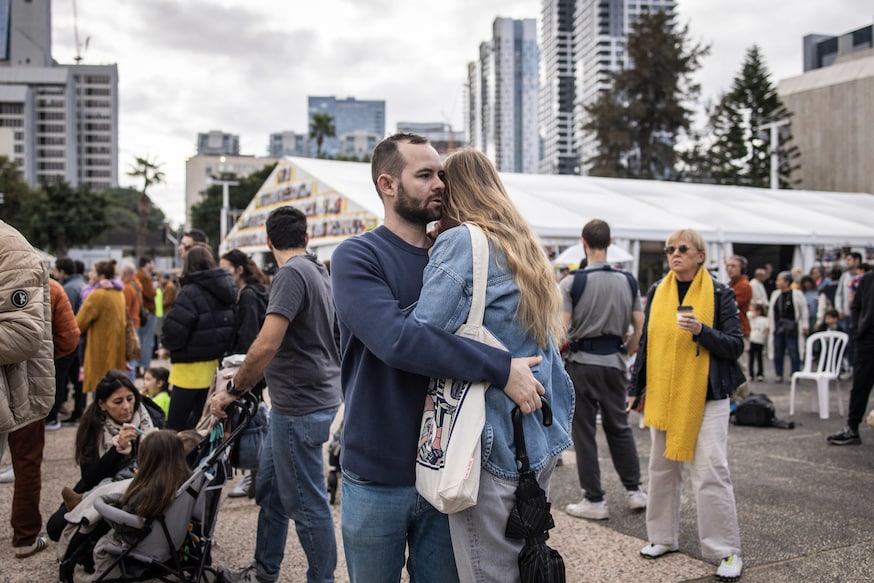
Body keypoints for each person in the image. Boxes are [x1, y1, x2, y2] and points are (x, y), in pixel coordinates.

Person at [330, 133, 545, 582]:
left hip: (451, 468)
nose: (439, 185)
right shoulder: (357, 255)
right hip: (376, 471)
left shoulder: (462, 253)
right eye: (425, 175)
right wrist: (499, 367)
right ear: (387, 185)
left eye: (441, 175)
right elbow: (397, 341)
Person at [410, 149, 573, 580]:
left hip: (489, 438)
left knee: (489, 571)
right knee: (521, 559)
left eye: (441, 179)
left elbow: (421, 334)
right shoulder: (521, 242)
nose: (435, 188)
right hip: (535, 433)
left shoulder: (463, 240)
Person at [212, 206, 342, 583]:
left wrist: (234, 390)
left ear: (268, 242)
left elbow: (267, 344)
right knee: (269, 489)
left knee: (307, 503)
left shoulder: (290, 274)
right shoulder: (317, 269)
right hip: (306, 398)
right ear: (306, 237)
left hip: (299, 406)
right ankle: (264, 571)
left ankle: (322, 579)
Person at [629, 228, 745, 582]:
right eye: (669, 249)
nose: (674, 254)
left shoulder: (720, 294)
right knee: (661, 470)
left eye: (682, 248)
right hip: (664, 394)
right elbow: (647, 344)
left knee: (710, 472)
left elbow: (735, 345)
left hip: (707, 397)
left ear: (700, 255)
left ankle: (725, 550)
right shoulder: (657, 291)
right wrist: (636, 387)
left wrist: (701, 331)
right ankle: (662, 537)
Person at [560, 218, 645, 521]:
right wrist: (628, 349)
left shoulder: (572, 282)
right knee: (619, 427)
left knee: (583, 432)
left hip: (581, 363)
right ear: (610, 244)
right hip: (614, 362)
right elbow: (639, 325)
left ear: (583, 243)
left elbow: (561, 330)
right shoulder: (628, 280)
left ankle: (594, 499)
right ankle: (635, 491)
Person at [46, 370, 156, 541]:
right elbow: (89, 477)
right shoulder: (93, 425)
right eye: (118, 402)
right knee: (55, 528)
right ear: (102, 404)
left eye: (130, 398)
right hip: (100, 484)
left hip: (136, 487)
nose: (126, 407)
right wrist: (117, 449)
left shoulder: (144, 418)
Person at [0, 219, 55, 558]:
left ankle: (25, 536)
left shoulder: (10, 247)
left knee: (26, 463)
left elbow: (23, 334)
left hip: (21, 389)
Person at [161, 246, 235, 431]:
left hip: (187, 371)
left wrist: (166, 345)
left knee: (175, 427)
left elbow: (174, 332)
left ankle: (175, 460)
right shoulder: (224, 290)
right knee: (204, 427)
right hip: (213, 369)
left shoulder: (189, 291)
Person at [219, 248, 270, 498]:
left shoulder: (248, 295)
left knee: (248, 421)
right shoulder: (255, 291)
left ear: (239, 269)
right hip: (256, 367)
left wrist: (243, 369)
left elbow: (250, 334)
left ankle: (252, 472)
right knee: (253, 418)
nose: (222, 273)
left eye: (226, 268)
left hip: (248, 366)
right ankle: (255, 473)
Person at [827, 269, 874, 445]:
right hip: (867, 340)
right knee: (860, 385)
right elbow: (856, 306)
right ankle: (852, 428)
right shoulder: (868, 278)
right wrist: (857, 330)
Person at [76, 261, 127, 397]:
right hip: (115, 351)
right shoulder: (119, 294)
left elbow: (79, 324)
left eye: (93, 271)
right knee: (112, 391)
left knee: (99, 393)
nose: (90, 274)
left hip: (99, 352)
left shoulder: (97, 295)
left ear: (101, 276)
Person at [45, 277, 81, 431]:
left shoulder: (50, 288)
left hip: (61, 343)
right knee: (67, 381)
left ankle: (51, 417)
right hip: (67, 341)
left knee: (57, 381)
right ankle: (54, 416)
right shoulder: (55, 286)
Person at [768, 271, 809, 382]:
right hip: (778, 326)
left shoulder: (797, 294)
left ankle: (794, 373)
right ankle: (779, 374)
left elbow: (803, 310)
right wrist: (770, 325)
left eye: (779, 280)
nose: (777, 282)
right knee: (778, 351)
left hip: (791, 326)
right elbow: (771, 311)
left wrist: (805, 325)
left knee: (793, 350)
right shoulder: (775, 294)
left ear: (786, 282)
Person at [726, 255, 752, 403]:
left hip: (740, 331)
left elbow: (730, 304)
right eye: (728, 265)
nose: (730, 268)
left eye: (733, 266)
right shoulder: (731, 284)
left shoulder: (744, 286)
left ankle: (741, 399)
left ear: (741, 269)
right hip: (731, 331)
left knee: (741, 367)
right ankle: (734, 399)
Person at [135, 257, 157, 375]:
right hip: (148, 311)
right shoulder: (144, 276)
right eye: (151, 262)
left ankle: (138, 365)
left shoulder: (137, 274)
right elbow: (150, 293)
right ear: (147, 263)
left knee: (141, 339)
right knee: (147, 340)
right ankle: (145, 365)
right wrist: (155, 289)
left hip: (141, 312)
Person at [747, 303, 769, 382]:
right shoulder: (751, 318)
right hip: (751, 339)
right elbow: (748, 314)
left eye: (754, 311)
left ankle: (760, 373)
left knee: (759, 358)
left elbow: (767, 328)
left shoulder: (764, 320)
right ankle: (750, 374)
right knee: (751, 358)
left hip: (759, 340)